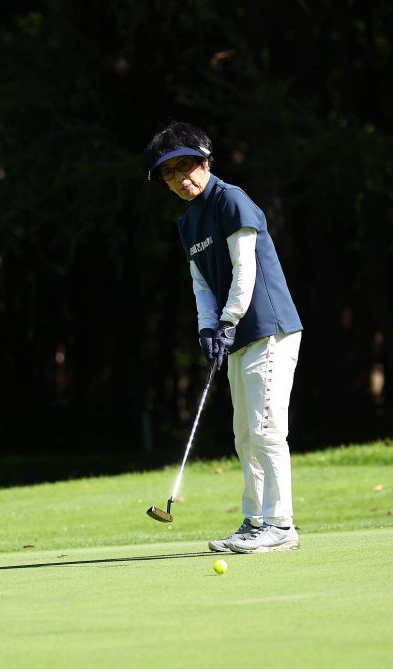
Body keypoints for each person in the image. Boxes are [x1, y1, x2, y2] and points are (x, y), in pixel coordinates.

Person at [143, 121, 304, 553]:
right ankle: (255, 521)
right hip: (236, 336)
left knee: (266, 429)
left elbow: (243, 268)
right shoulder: (188, 223)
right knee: (244, 436)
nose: (181, 178)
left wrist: (227, 320)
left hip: (269, 330)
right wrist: (206, 327)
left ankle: (281, 525)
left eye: (186, 165)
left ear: (205, 161)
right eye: (169, 173)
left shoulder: (230, 200)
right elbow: (202, 284)